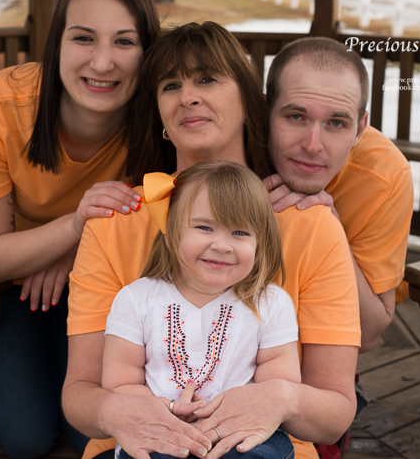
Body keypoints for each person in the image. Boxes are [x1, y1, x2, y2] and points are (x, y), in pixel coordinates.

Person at [64, 21, 361, 459]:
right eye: (170, 86)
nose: (187, 96)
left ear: (248, 100)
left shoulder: (310, 224)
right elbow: (79, 394)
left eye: (207, 78)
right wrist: (116, 411)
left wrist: (282, 399)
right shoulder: (115, 223)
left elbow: (336, 410)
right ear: (162, 117)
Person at [0, 0, 160, 459]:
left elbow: (171, 220)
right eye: (84, 38)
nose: (103, 62)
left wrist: (76, 249)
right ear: (57, 43)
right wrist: (71, 227)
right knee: (26, 437)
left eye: (125, 42)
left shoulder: (162, 111)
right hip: (16, 283)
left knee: (91, 433)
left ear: (148, 52)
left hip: (114, 287)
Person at [263, 37, 414, 455]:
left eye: (336, 123)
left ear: (361, 127)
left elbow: (368, 332)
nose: (313, 144)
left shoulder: (384, 174)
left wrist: (328, 228)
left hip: (310, 374)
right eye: (296, 116)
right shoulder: (234, 144)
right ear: (265, 111)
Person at [103, 161, 300, 459]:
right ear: (171, 228)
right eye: (205, 227)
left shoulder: (270, 303)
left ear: (261, 241)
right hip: (160, 433)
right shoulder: (136, 299)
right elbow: (121, 383)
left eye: (240, 232)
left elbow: (277, 385)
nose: (222, 245)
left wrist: (229, 411)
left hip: (239, 436)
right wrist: (167, 410)